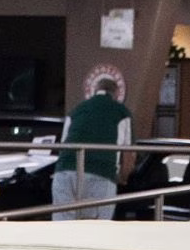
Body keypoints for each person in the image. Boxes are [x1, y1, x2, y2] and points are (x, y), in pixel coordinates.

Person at [53, 77, 133, 221]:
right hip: (101, 173)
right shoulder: (122, 112)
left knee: (63, 226)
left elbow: (63, 145)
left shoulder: (76, 110)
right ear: (116, 93)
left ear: (95, 90)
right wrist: (123, 178)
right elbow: (127, 154)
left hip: (64, 172)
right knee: (96, 228)